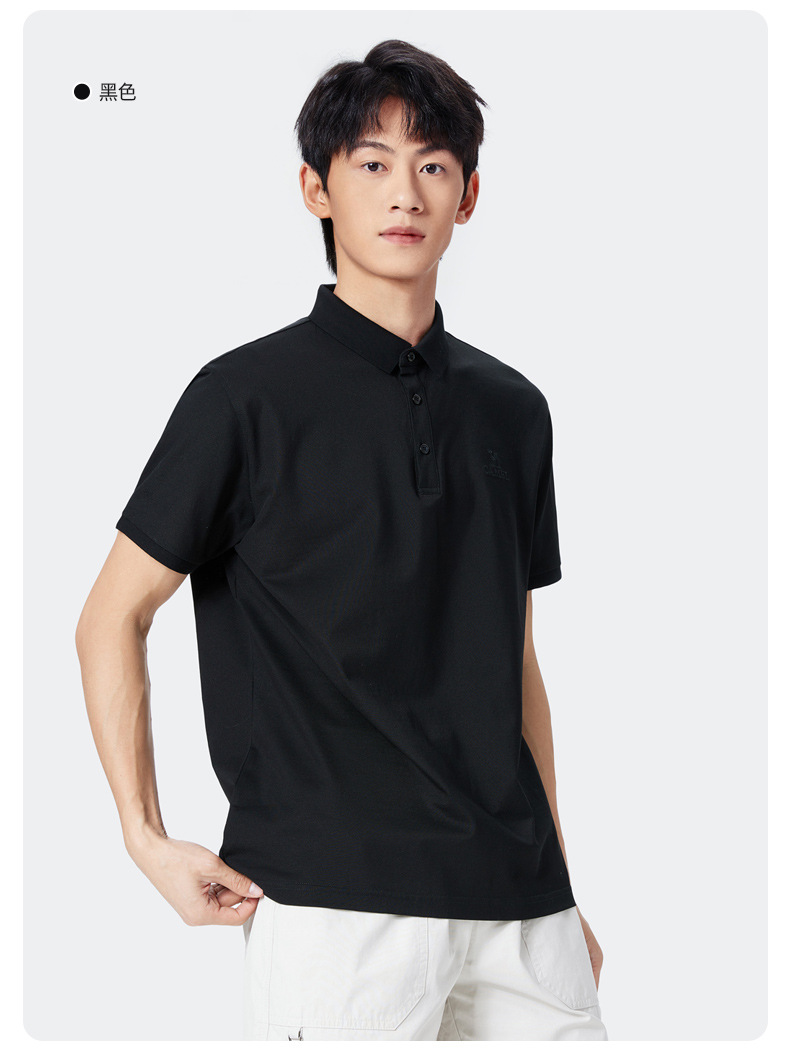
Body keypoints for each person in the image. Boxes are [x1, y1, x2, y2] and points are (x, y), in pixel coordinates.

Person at [75, 38, 608, 1041]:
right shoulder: (242, 398)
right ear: (316, 188)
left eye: (433, 164)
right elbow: (111, 614)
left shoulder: (514, 409)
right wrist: (145, 837)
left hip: (519, 904)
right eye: (372, 162)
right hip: (335, 907)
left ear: (469, 195)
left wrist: (559, 881)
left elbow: (514, 661)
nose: (405, 192)